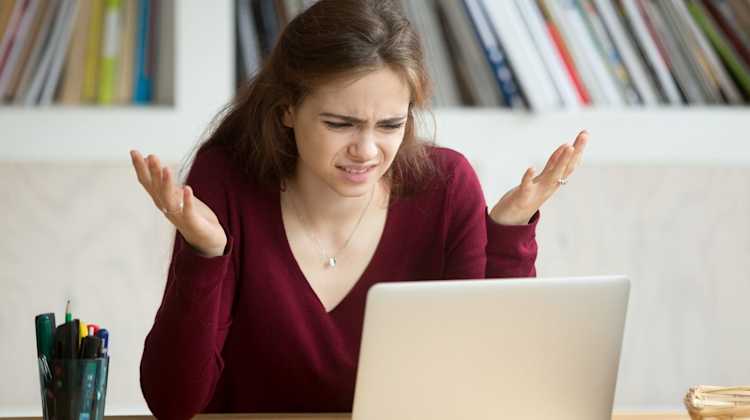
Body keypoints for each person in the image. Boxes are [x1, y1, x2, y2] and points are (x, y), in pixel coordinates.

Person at [132, 0, 587, 418]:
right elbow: (174, 403)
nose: (367, 150)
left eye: (391, 124)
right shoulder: (226, 180)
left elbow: (490, 389)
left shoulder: (446, 186)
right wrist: (206, 254)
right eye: (339, 123)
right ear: (287, 108)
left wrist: (507, 236)